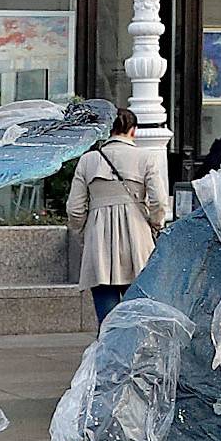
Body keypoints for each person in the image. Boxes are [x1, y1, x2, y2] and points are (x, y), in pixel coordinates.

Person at [65, 107, 170, 325]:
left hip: (99, 239)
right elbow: (159, 201)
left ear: (108, 130)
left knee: (107, 319)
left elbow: (74, 208)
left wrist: (83, 232)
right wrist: (155, 224)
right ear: (133, 131)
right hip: (137, 237)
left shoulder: (88, 160)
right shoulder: (145, 158)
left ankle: (107, 354)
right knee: (139, 314)